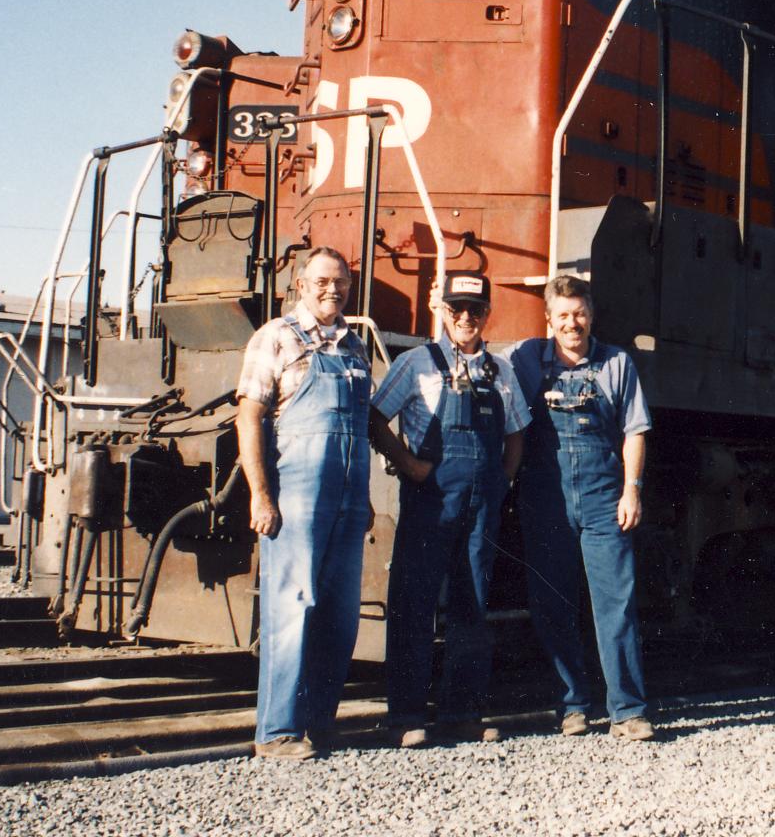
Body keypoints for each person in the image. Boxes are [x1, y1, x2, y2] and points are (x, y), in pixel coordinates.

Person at [235, 246, 426, 760]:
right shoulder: (275, 337)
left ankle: (318, 725)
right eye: (321, 281)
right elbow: (249, 417)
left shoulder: (354, 345)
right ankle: (277, 732)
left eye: (340, 282)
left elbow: (364, 424)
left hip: (347, 497)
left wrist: (365, 498)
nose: (332, 290)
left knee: (339, 615)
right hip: (296, 493)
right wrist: (260, 494)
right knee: (291, 607)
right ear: (300, 284)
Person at [372, 273, 529, 748]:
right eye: (456, 308)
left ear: (487, 314)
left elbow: (517, 431)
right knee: (414, 603)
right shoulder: (417, 363)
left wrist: (503, 480)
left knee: (472, 603)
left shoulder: (500, 371)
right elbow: (375, 417)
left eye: (475, 310)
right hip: (431, 501)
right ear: (441, 310)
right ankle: (405, 717)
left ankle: (463, 714)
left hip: (481, 505)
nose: (465, 318)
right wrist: (409, 465)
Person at [505, 274, 656, 741]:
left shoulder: (616, 363)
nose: (573, 323)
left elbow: (635, 431)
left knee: (616, 603)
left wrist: (631, 490)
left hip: (603, 498)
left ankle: (628, 711)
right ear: (548, 319)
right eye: (563, 316)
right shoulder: (525, 358)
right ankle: (572, 706)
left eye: (580, 314)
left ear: (591, 316)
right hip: (546, 497)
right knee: (553, 603)